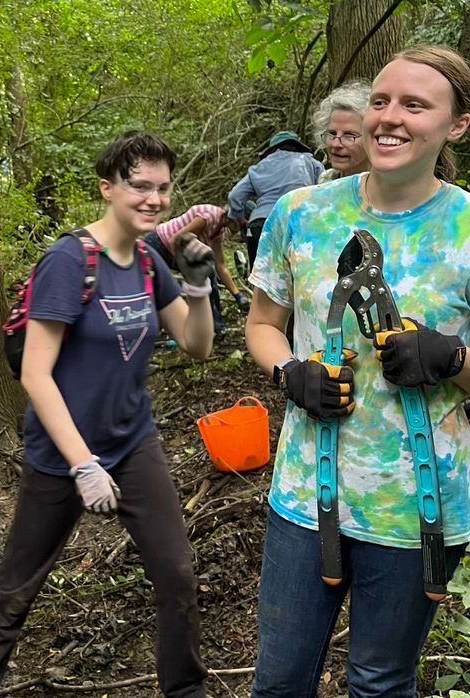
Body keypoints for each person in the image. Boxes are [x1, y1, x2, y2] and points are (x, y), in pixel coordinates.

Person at [245, 45, 470, 696]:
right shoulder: (303, 214)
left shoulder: (464, 227)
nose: (389, 118)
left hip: (417, 511)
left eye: (415, 104)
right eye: (380, 100)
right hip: (304, 500)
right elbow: (262, 323)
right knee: (280, 681)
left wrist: (451, 359)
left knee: (379, 683)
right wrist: (291, 372)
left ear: (456, 125)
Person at [0, 131, 213, 698]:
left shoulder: (149, 261)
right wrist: (82, 465)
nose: (153, 198)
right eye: (139, 186)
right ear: (108, 188)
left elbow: (197, 347)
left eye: (163, 188)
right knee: (18, 587)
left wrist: (198, 286)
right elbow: (35, 374)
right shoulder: (70, 261)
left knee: (176, 576)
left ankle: (186, 691)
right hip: (61, 453)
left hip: (133, 443)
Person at [146, 203, 250, 337]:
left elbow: (220, 266)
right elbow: (175, 241)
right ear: (234, 218)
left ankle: (215, 327)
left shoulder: (219, 230)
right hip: (158, 243)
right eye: (241, 226)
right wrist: (186, 270)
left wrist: (238, 296)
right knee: (152, 285)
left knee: (209, 271)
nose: (241, 231)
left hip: (171, 247)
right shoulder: (209, 217)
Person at [228, 130, 324, 271]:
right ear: (297, 145)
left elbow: (234, 196)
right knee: (297, 277)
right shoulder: (311, 162)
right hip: (298, 222)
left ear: (272, 150)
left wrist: (240, 219)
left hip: (261, 225)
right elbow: (324, 190)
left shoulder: (258, 168)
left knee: (260, 280)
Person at [312, 80, 371, 183]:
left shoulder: (389, 190)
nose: (336, 144)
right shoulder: (326, 181)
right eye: (332, 134)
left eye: (349, 135)